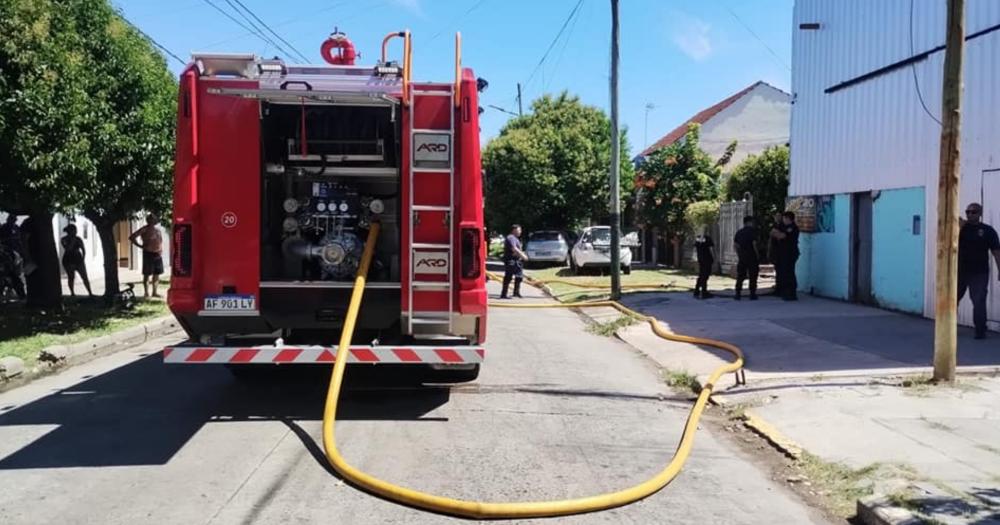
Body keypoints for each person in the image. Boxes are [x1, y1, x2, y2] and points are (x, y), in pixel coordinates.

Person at [958, 202, 1000, 339]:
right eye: (968, 212)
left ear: (980, 214)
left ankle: (980, 330)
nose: (970, 214)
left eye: (973, 212)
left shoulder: (988, 231)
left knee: (979, 301)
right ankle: (948, 328)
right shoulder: (960, 229)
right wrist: (958, 228)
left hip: (979, 272)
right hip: (959, 271)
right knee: (952, 299)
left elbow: (996, 252)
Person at [130, 214, 164, 298]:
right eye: (152, 219)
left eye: (154, 219)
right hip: (148, 253)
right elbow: (132, 237)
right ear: (148, 220)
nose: (154, 220)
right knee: (147, 274)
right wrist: (140, 246)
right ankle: (146, 293)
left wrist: (160, 249)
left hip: (158, 254)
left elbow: (160, 240)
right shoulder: (144, 229)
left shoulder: (157, 230)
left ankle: (154, 292)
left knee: (157, 273)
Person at [770, 211, 800, 301]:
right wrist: (777, 233)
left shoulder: (793, 227)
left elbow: (781, 236)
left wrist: (778, 234)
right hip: (782, 253)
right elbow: (772, 232)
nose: (783, 220)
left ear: (788, 219)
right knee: (782, 273)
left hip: (790, 253)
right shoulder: (782, 226)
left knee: (789, 273)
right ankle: (783, 291)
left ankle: (791, 294)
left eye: (784, 218)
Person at [61, 224, 94, 298]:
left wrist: (83, 258)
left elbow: (83, 249)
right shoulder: (64, 239)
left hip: (78, 259)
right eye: (73, 230)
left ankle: (90, 293)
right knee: (71, 277)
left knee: (84, 277)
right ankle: (72, 293)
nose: (75, 232)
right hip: (68, 260)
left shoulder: (78, 239)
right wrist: (72, 241)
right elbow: (68, 249)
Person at [733, 216, 759, 301]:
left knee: (741, 275)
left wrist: (739, 254)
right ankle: (752, 294)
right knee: (753, 275)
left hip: (742, 257)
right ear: (749, 222)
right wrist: (757, 254)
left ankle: (738, 293)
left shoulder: (739, 232)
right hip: (752, 256)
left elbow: (735, 245)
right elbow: (754, 244)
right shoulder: (752, 232)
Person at [500, 224, 528, 299]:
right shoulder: (511, 238)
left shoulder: (516, 238)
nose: (520, 232)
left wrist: (521, 254)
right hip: (511, 260)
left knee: (519, 277)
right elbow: (514, 248)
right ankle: (503, 294)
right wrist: (523, 255)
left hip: (517, 261)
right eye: (519, 230)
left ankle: (516, 293)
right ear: (514, 230)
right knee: (508, 277)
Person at [693, 229, 715, 299]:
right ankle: (704, 292)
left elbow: (695, 248)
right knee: (705, 275)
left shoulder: (698, 238)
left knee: (701, 274)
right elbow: (711, 249)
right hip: (707, 259)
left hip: (701, 259)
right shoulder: (708, 239)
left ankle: (696, 290)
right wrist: (714, 257)